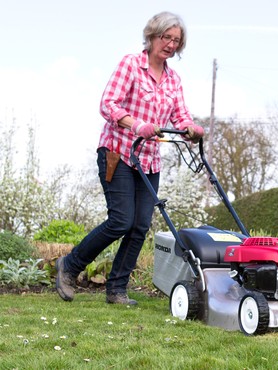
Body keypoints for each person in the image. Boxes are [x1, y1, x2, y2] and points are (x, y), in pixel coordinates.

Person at [55, 11, 203, 305]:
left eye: (176, 40)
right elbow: (108, 103)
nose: (171, 44)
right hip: (118, 152)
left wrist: (191, 128)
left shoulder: (174, 79)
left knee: (139, 227)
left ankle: (117, 289)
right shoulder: (131, 65)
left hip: (149, 161)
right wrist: (137, 125)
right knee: (121, 220)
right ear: (152, 36)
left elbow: (180, 114)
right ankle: (69, 266)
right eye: (166, 37)